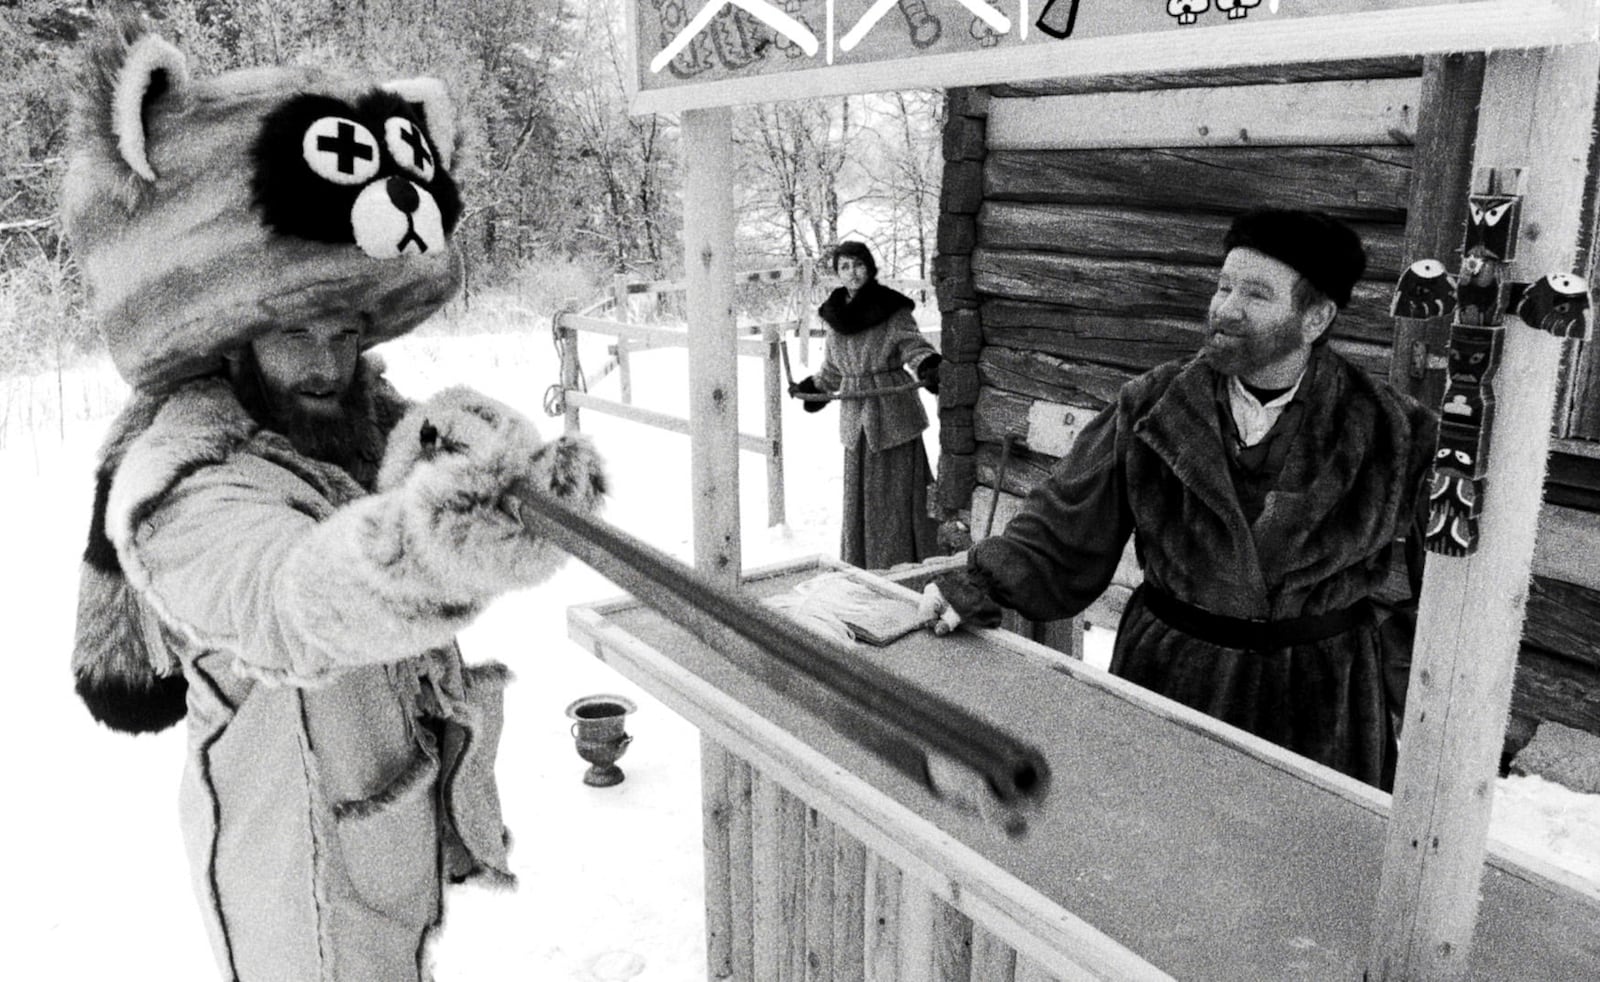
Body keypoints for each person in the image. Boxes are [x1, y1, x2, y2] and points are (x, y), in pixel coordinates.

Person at [64, 15, 605, 980]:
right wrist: (433, 543)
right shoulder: (181, 484)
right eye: (301, 330)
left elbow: (396, 471)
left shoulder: (354, 425)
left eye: (348, 328)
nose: (330, 361)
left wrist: (484, 458)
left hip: (376, 843)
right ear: (235, 332)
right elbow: (286, 599)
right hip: (290, 879)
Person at [919, 209, 1436, 790]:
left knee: (1303, 865)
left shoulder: (1391, 430)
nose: (1226, 307)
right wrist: (982, 585)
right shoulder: (1154, 407)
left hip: (1320, 699)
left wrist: (1413, 687)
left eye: (1256, 294)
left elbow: (1439, 582)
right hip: (1173, 677)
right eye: (1223, 286)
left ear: (1315, 318)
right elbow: (1065, 523)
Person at [791, 241, 943, 569]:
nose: (852, 272)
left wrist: (929, 365)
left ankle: (904, 563)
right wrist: (814, 388)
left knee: (897, 497)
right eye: (844, 267)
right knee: (861, 499)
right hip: (855, 418)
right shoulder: (834, 315)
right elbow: (833, 369)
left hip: (892, 414)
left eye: (858, 264)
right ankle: (863, 565)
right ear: (837, 273)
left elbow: (912, 347)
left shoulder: (890, 308)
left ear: (869, 267)